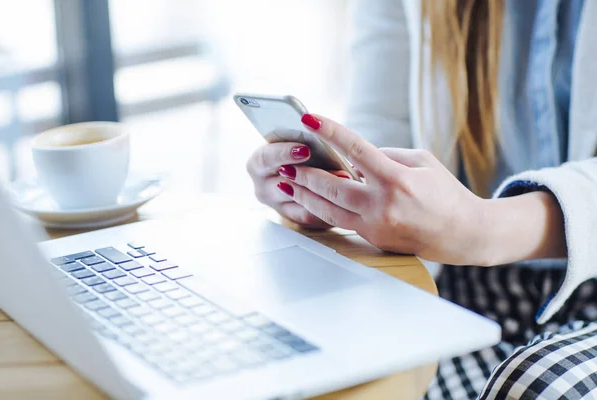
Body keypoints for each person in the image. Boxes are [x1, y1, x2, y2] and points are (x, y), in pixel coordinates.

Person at [247, 0, 597, 398]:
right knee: (303, 371)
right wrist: (336, 195)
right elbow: (382, 134)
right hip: (460, 291)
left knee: (539, 386)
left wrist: (482, 227)